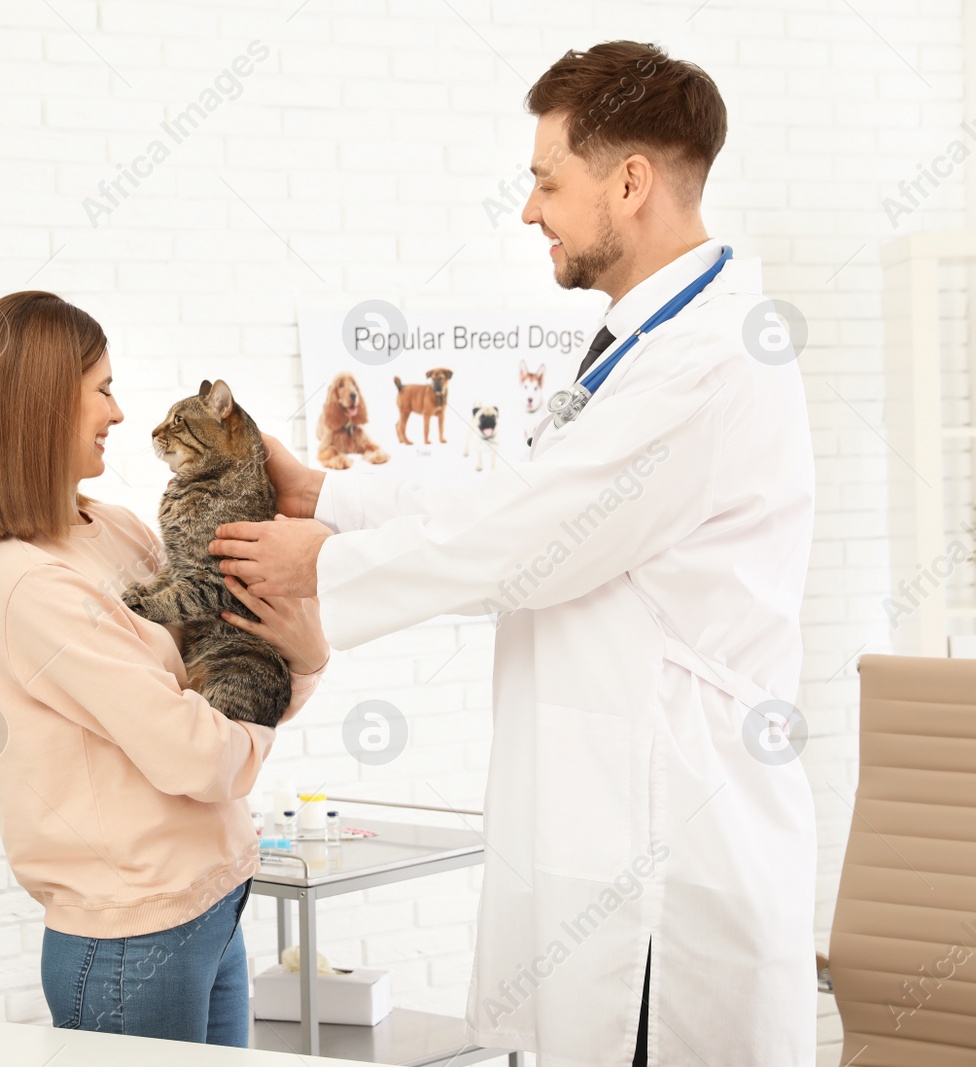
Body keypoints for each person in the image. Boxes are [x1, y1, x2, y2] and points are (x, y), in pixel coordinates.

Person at [208, 42, 816, 1066]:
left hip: (667, 858)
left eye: (546, 180)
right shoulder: (638, 344)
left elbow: (530, 537)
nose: (529, 210)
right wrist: (331, 493)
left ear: (629, 183)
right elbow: (515, 493)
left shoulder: (710, 359)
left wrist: (319, 566)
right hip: (604, 822)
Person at [0, 290, 329, 1046]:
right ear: (43, 405)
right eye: (103, 389)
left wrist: (304, 658)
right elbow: (196, 753)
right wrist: (288, 685)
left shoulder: (108, 527)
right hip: (133, 941)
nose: (119, 413)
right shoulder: (26, 582)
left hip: (213, 899)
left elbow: (226, 666)